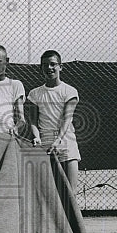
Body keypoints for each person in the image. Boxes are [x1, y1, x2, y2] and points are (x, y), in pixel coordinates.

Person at [27, 49, 80, 191]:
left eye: (53, 64)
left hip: (67, 142)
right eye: (45, 65)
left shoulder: (70, 91)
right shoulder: (34, 94)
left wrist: (58, 141)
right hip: (45, 144)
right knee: (50, 195)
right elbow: (32, 121)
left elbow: (67, 118)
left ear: (60, 67)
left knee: (70, 194)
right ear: (41, 68)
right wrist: (37, 137)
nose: (49, 68)